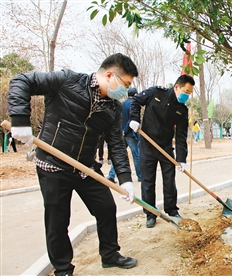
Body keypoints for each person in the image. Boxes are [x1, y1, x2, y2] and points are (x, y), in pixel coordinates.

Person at [8, 53, 139, 275]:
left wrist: (125, 180)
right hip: (53, 165)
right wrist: (19, 119)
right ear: (109, 75)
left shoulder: (113, 109)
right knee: (58, 221)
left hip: (85, 168)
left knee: (106, 207)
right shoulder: (67, 81)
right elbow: (22, 81)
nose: (124, 91)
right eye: (125, 84)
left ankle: (110, 254)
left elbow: (116, 144)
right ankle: (63, 269)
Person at [129, 75, 195, 228]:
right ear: (177, 87)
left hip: (165, 148)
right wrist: (134, 119)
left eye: (190, 93)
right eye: (185, 91)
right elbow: (135, 101)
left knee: (169, 180)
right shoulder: (156, 93)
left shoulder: (182, 110)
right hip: (147, 145)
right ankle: (150, 214)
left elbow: (181, 136)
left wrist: (181, 159)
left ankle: (172, 210)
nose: (187, 95)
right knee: (147, 181)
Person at [107, 88, 142, 183]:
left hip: (121, 133)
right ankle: (140, 176)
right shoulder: (134, 105)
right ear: (135, 94)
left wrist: (121, 131)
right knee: (136, 155)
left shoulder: (122, 104)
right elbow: (132, 120)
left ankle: (111, 175)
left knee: (119, 155)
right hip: (130, 134)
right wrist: (125, 131)